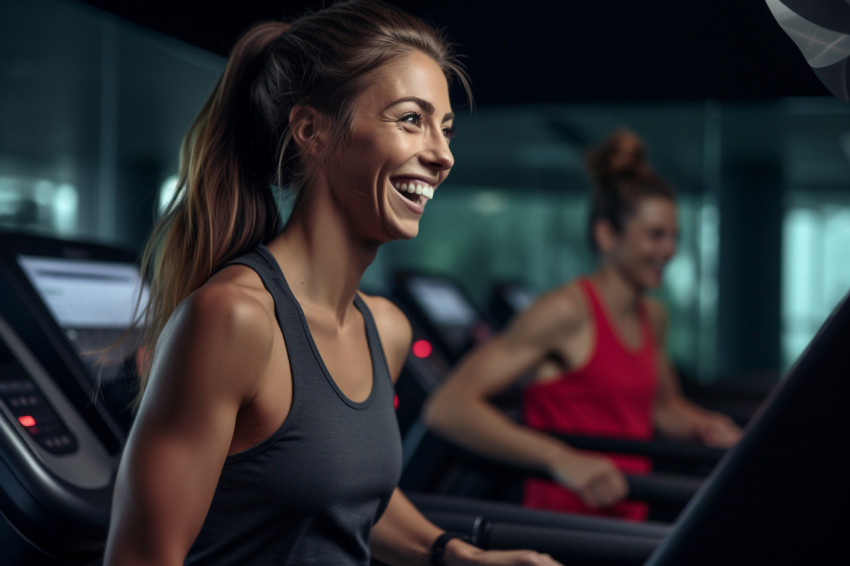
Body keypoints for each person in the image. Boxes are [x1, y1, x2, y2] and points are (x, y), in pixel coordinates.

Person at [102, 2, 562, 565]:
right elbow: (141, 556)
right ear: (312, 131)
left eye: (445, 129)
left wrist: (458, 556)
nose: (443, 156)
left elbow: (349, 489)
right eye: (411, 120)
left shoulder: (384, 328)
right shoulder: (235, 319)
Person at [424, 128, 742, 521]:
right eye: (656, 235)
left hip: (627, 523)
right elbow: (448, 407)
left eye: (674, 236)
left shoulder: (653, 316)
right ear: (607, 235)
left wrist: (705, 425)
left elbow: (663, 409)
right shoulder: (564, 311)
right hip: (565, 530)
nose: (669, 250)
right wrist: (559, 457)